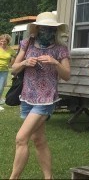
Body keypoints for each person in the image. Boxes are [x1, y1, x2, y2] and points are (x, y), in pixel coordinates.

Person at [9, 12, 71, 179]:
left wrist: (55, 62)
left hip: (46, 99)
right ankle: (48, 177)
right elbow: (14, 69)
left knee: (21, 138)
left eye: (51, 28)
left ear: (56, 30)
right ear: (36, 28)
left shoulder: (60, 49)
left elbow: (66, 75)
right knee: (39, 140)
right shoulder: (26, 43)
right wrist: (24, 63)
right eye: (44, 28)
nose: (47, 31)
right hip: (27, 97)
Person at [0, 33, 17, 110]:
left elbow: (15, 56)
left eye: (4, 41)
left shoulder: (10, 50)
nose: (2, 43)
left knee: (1, 88)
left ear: (7, 42)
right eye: (1, 41)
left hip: (4, 71)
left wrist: (11, 64)